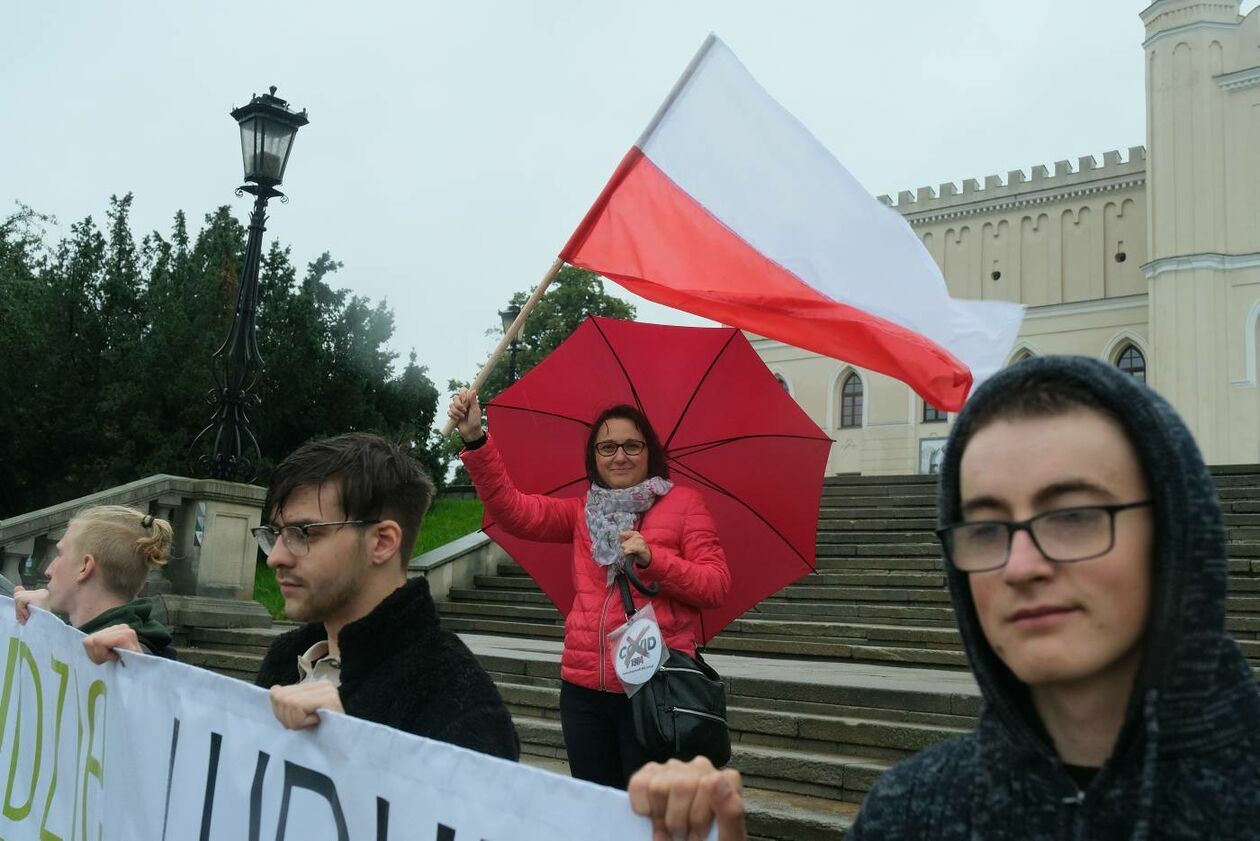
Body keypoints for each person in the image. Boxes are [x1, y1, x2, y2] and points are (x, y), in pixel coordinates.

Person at [628, 356, 1260, 839]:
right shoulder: (912, 812)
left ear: (1176, 535)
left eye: (1074, 516)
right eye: (984, 528)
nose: (1019, 566)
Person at [84, 432, 520, 762]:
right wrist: (147, 674)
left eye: (302, 533)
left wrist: (354, 740)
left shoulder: (461, 704)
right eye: (275, 534)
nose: (274, 558)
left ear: (382, 542)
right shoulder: (289, 656)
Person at [448, 390, 731, 788]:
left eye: (632, 445)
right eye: (608, 446)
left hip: (652, 691)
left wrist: (655, 560)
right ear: (594, 456)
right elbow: (513, 510)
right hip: (583, 693)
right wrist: (477, 439)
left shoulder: (684, 506)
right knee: (594, 812)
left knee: (643, 817)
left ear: (649, 451)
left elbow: (716, 584)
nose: (620, 455)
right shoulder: (583, 512)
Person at [15, 504, 176, 658]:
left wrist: (137, 669)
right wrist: (43, 625)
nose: (48, 570)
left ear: (85, 567)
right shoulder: (138, 646)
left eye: (60, 554)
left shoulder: (130, 656)